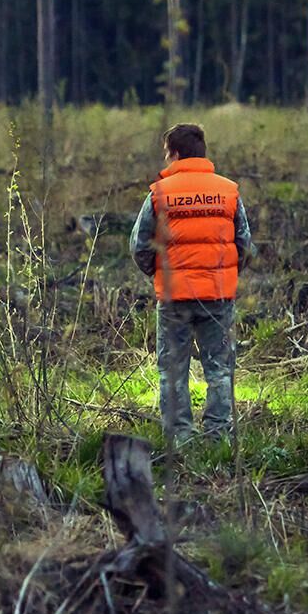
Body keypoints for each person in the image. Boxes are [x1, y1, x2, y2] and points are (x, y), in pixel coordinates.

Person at [130, 124, 252, 442]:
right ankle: (218, 436)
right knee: (219, 368)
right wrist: (225, 272)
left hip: (174, 295)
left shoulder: (159, 193)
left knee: (173, 370)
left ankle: (180, 437)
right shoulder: (228, 191)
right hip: (217, 294)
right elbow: (245, 243)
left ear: (176, 153)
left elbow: (139, 245)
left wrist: (157, 273)